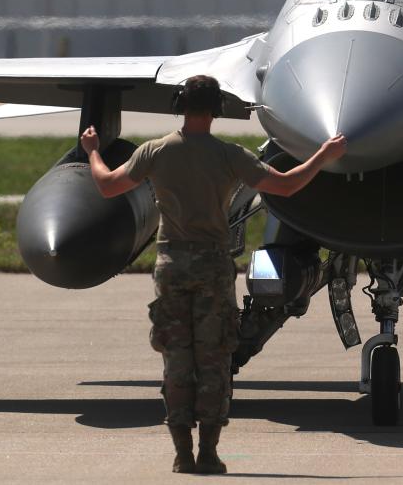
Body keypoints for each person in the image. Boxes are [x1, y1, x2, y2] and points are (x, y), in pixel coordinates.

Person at [79, 75, 347, 475]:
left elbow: (106, 185)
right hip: (213, 267)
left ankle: (182, 452)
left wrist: (93, 151)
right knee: (214, 359)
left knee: (176, 358)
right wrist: (323, 156)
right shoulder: (229, 156)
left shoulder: (155, 152)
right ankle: (208, 451)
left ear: (179, 106)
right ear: (217, 110)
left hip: (171, 267)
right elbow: (287, 186)